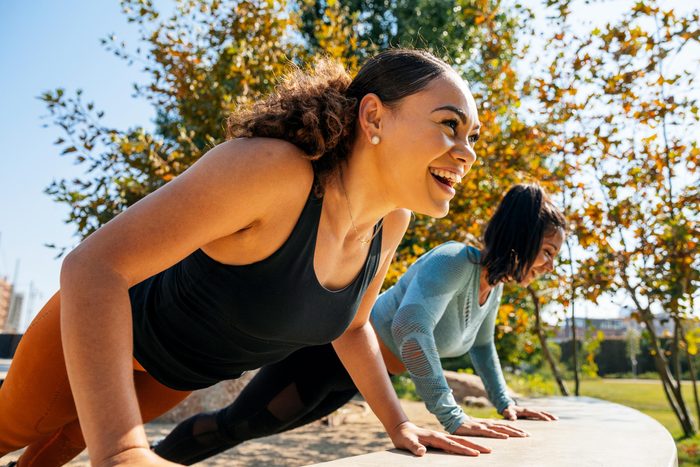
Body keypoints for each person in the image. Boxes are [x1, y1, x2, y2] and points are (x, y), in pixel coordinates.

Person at [0, 48, 490, 467]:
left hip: (173, 377)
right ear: (374, 117)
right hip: (91, 340)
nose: (466, 153)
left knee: (59, 449)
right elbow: (92, 266)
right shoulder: (274, 170)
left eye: (472, 137)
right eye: (450, 125)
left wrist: (400, 425)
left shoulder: (390, 223)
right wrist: (124, 449)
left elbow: (354, 326)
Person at [153, 183, 565, 465]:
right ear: (522, 237)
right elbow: (410, 329)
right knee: (237, 424)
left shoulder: (491, 288)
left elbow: (482, 347)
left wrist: (506, 404)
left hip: (360, 375)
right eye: (546, 252)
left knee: (247, 429)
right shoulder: (456, 261)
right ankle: (145, 459)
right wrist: (452, 416)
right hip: (327, 355)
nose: (548, 265)